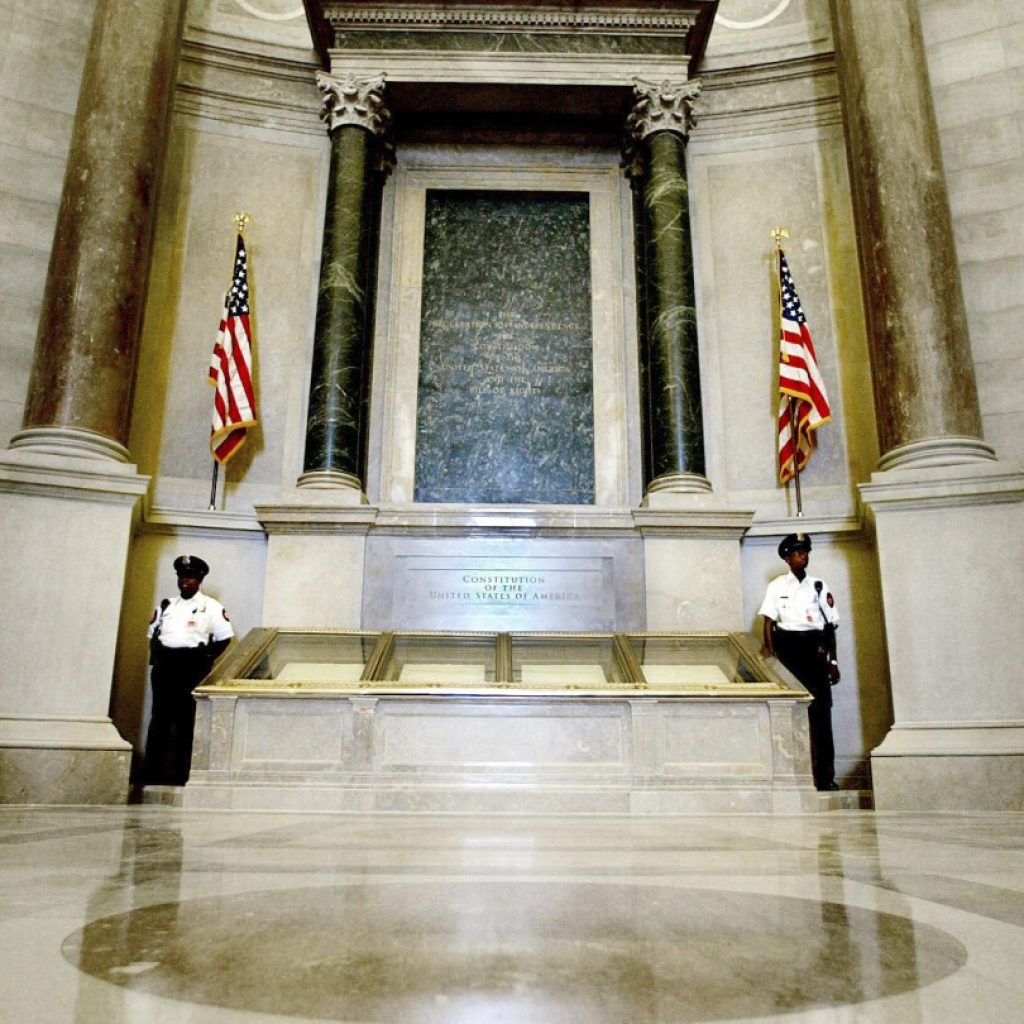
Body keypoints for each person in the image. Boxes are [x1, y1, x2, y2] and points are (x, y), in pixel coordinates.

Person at [758, 533, 841, 791]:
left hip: (815, 650)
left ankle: (825, 777)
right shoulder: (777, 586)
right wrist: (773, 658)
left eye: (805, 552)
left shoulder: (818, 586)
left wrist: (833, 661)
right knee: (790, 713)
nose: (802, 557)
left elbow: (830, 627)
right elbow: (769, 624)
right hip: (788, 651)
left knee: (821, 716)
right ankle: (791, 779)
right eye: (796, 553)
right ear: (786, 558)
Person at [143, 555, 234, 785]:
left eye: (190, 577)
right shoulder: (166, 606)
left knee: (187, 722)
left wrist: (205, 658)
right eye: (182, 576)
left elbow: (225, 639)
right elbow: (153, 636)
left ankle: (184, 774)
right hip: (165, 669)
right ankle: (151, 774)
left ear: (200, 579)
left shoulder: (211, 607)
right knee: (159, 721)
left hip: (191, 669)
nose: (185, 581)